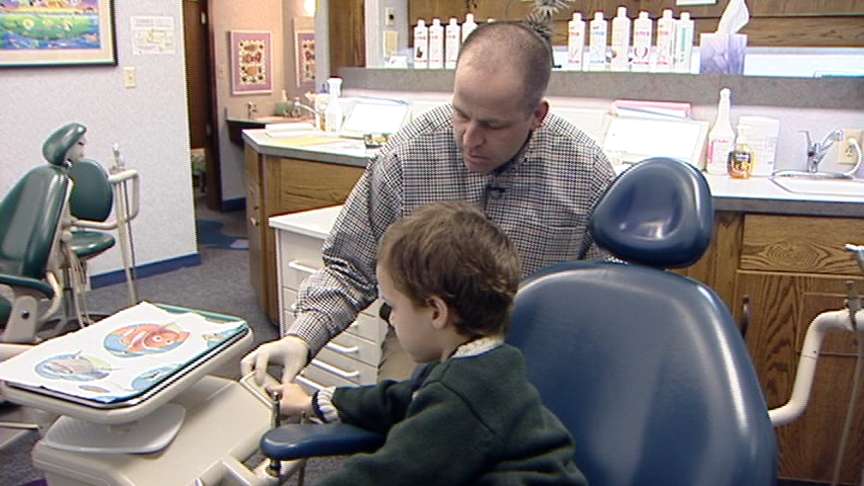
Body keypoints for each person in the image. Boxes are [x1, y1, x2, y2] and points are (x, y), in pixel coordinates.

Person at [241, 21, 615, 384]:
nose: (470, 138)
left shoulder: (584, 171)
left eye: (492, 125)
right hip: (427, 342)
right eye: (461, 114)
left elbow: (604, 292)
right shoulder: (410, 154)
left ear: (537, 116)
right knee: (408, 427)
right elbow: (349, 265)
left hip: (529, 345)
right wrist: (300, 338)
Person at [272, 202, 587, 485]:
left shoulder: (461, 398)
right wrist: (313, 402)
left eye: (393, 306)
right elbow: (398, 399)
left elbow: (386, 476)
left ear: (436, 312)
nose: (390, 318)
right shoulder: (480, 365)